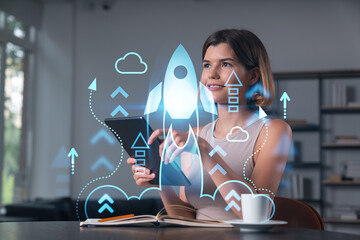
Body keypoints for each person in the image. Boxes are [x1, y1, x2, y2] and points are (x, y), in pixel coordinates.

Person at [127, 29, 292, 220]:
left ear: (253, 76)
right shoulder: (195, 135)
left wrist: (205, 151)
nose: (211, 74)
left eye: (226, 64)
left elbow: (255, 216)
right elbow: (184, 218)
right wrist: (162, 180)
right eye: (207, 65)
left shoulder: (273, 132)